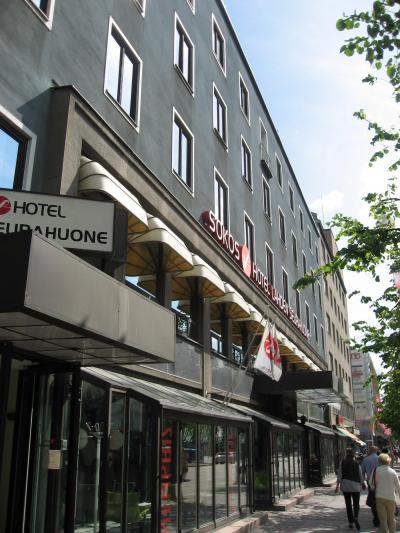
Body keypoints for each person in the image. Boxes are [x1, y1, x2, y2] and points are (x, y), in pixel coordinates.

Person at [336, 448, 366, 530]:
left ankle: (350, 522)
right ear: (353, 454)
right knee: (356, 504)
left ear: (346, 454)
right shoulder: (357, 463)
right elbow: (360, 475)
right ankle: (355, 517)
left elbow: (340, 474)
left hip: (345, 485)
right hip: (356, 485)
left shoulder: (342, 462)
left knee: (348, 504)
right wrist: (363, 483)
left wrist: (337, 485)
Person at [370, 452, 400, 533]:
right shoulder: (392, 472)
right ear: (388, 461)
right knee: (391, 518)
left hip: (379, 497)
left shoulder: (375, 470)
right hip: (391, 498)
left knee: (383, 520)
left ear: (379, 461)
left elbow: (370, 483)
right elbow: (398, 487)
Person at [361, 445, 380, 527]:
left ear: (370, 451)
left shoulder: (365, 459)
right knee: (380, 499)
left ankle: (376, 518)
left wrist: (362, 483)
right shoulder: (380, 459)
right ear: (376, 451)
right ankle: (380, 517)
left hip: (370, 482)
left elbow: (362, 472)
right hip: (380, 482)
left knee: (373, 500)